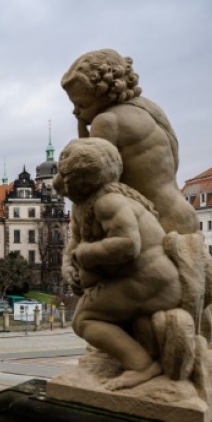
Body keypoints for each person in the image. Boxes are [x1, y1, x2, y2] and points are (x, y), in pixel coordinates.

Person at [61, 49, 212, 339]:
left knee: (115, 311)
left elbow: (92, 177)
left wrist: (73, 254)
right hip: (181, 216)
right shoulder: (150, 111)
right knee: (189, 299)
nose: (76, 112)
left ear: (103, 93)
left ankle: (137, 359)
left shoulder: (107, 121)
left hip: (151, 226)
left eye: (81, 104)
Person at [55, 138, 184, 390]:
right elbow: (74, 243)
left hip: (152, 280)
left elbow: (128, 244)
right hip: (137, 280)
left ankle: (142, 365)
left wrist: (85, 254)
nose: (59, 183)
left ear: (81, 182)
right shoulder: (84, 205)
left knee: (84, 320)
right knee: (88, 315)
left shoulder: (108, 201)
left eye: (64, 177)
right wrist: (68, 266)